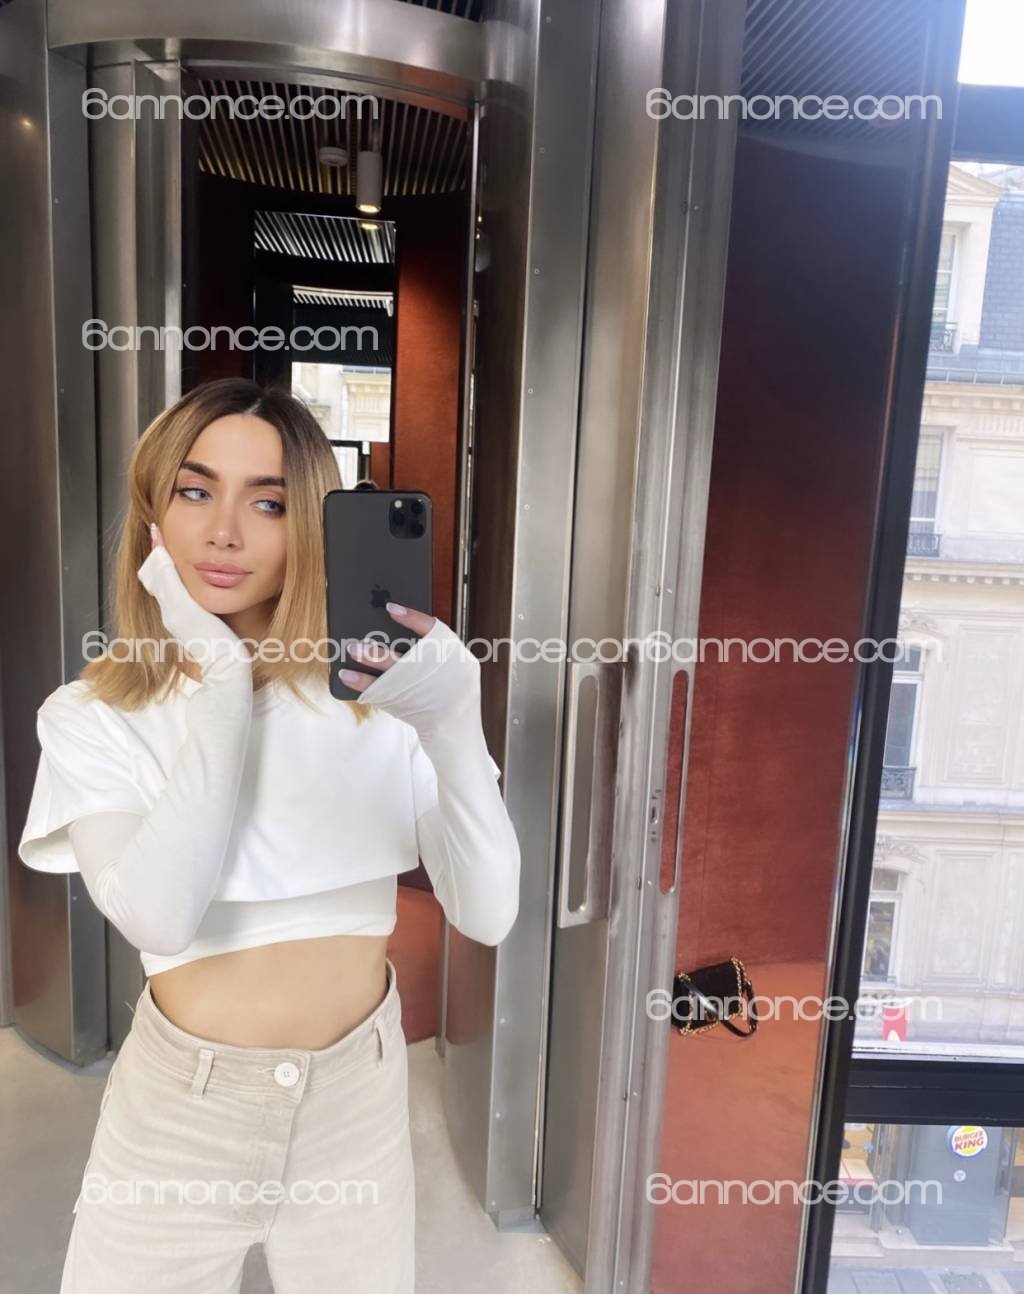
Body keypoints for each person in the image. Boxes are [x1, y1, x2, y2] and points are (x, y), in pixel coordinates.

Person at [17, 377, 521, 1294]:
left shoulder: (381, 700)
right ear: (153, 512)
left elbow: (488, 915)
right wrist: (217, 683)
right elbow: (159, 919)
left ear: (313, 530)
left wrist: (454, 725)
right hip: (180, 1114)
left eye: (270, 503)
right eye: (195, 490)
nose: (223, 532)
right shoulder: (89, 716)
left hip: (358, 1100)